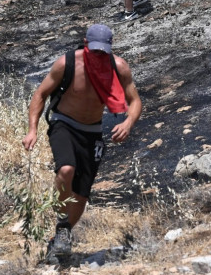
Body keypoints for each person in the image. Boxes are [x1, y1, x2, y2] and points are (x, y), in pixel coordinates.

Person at [22, 24, 142, 257]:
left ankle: (61, 234)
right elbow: (40, 94)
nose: (98, 55)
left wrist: (128, 123)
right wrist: (32, 130)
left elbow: (135, 101)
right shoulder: (66, 63)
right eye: (94, 50)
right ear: (86, 45)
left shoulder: (119, 67)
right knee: (66, 169)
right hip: (63, 123)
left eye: (103, 51)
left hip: (92, 131)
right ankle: (61, 217)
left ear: (110, 48)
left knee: (81, 195)